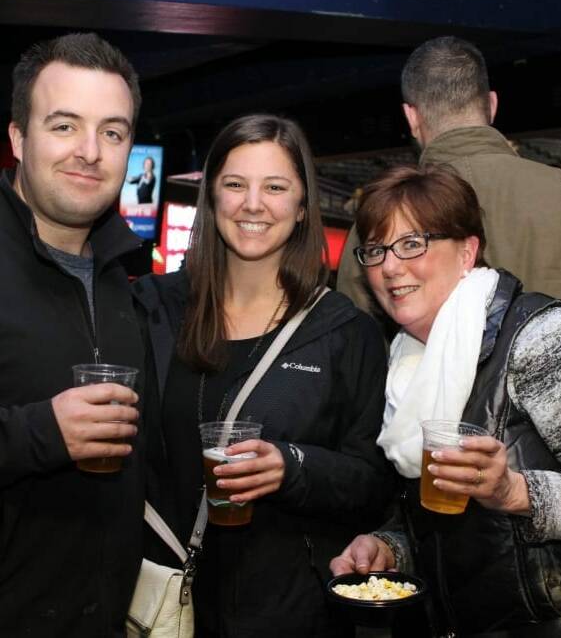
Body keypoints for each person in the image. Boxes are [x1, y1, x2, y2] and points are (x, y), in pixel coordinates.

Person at [331, 164, 561, 637]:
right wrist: (392, 547)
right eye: (375, 250)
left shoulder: (545, 337)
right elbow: (458, 525)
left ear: (467, 251)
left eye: (413, 243)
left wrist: (517, 492)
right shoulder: (406, 367)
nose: (390, 267)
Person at [336, 36, 561, 515]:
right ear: (492, 106)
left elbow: (355, 379)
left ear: (412, 117)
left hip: (434, 503)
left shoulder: (376, 228)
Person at [133, 114, 393, 637]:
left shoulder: (347, 333)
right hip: (159, 603)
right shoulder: (152, 308)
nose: (253, 204)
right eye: (235, 185)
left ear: (301, 207)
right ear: (212, 198)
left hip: (288, 612)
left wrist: (292, 466)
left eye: (275, 187)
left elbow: (374, 484)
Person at [0, 33, 145, 635]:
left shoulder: (131, 282)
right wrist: (41, 432)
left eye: (111, 132)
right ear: (17, 139)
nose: (90, 151)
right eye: (64, 126)